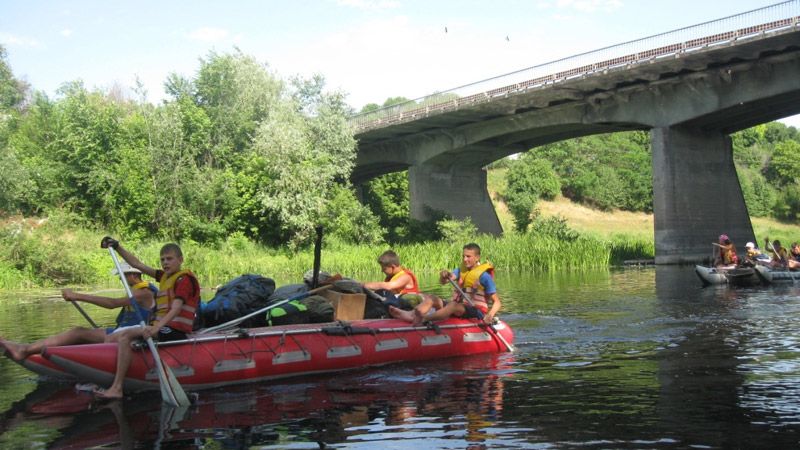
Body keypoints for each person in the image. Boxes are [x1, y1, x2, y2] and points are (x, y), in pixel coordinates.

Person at [93, 237, 201, 399]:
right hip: (164, 327)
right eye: (162, 259)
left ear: (180, 260)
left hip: (175, 330)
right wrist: (117, 247)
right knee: (121, 336)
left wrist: (156, 328)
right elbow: (138, 265)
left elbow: (176, 308)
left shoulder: (183, 280)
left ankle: (117, 388)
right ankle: (106, 380)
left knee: (126, 334)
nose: (165, 262)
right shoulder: (164, 276)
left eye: (169, 259)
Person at [0, 263, 156, 361]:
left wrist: (77, 295)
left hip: (135, 333)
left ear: (134, 275)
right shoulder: (133, 290)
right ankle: (26, 349)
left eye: (123, 276)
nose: (121, 280)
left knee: (108, 340)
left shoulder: (144, 292)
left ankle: (26, 350)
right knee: (78, 332)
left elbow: (112, 304)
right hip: (120, 330)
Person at [390, 243, 501, 326]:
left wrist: (489, 316)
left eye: (468, 256)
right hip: (459, 306)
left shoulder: (484, 276)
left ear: (477, 257)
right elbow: (444, 281)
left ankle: (424, 319)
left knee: (452, 305)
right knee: (432, 298)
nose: (465, 259)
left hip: (476, 311)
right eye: (463, 256)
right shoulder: (460, 270)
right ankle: (409, 315)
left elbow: (497, 302)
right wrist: (444, 275)